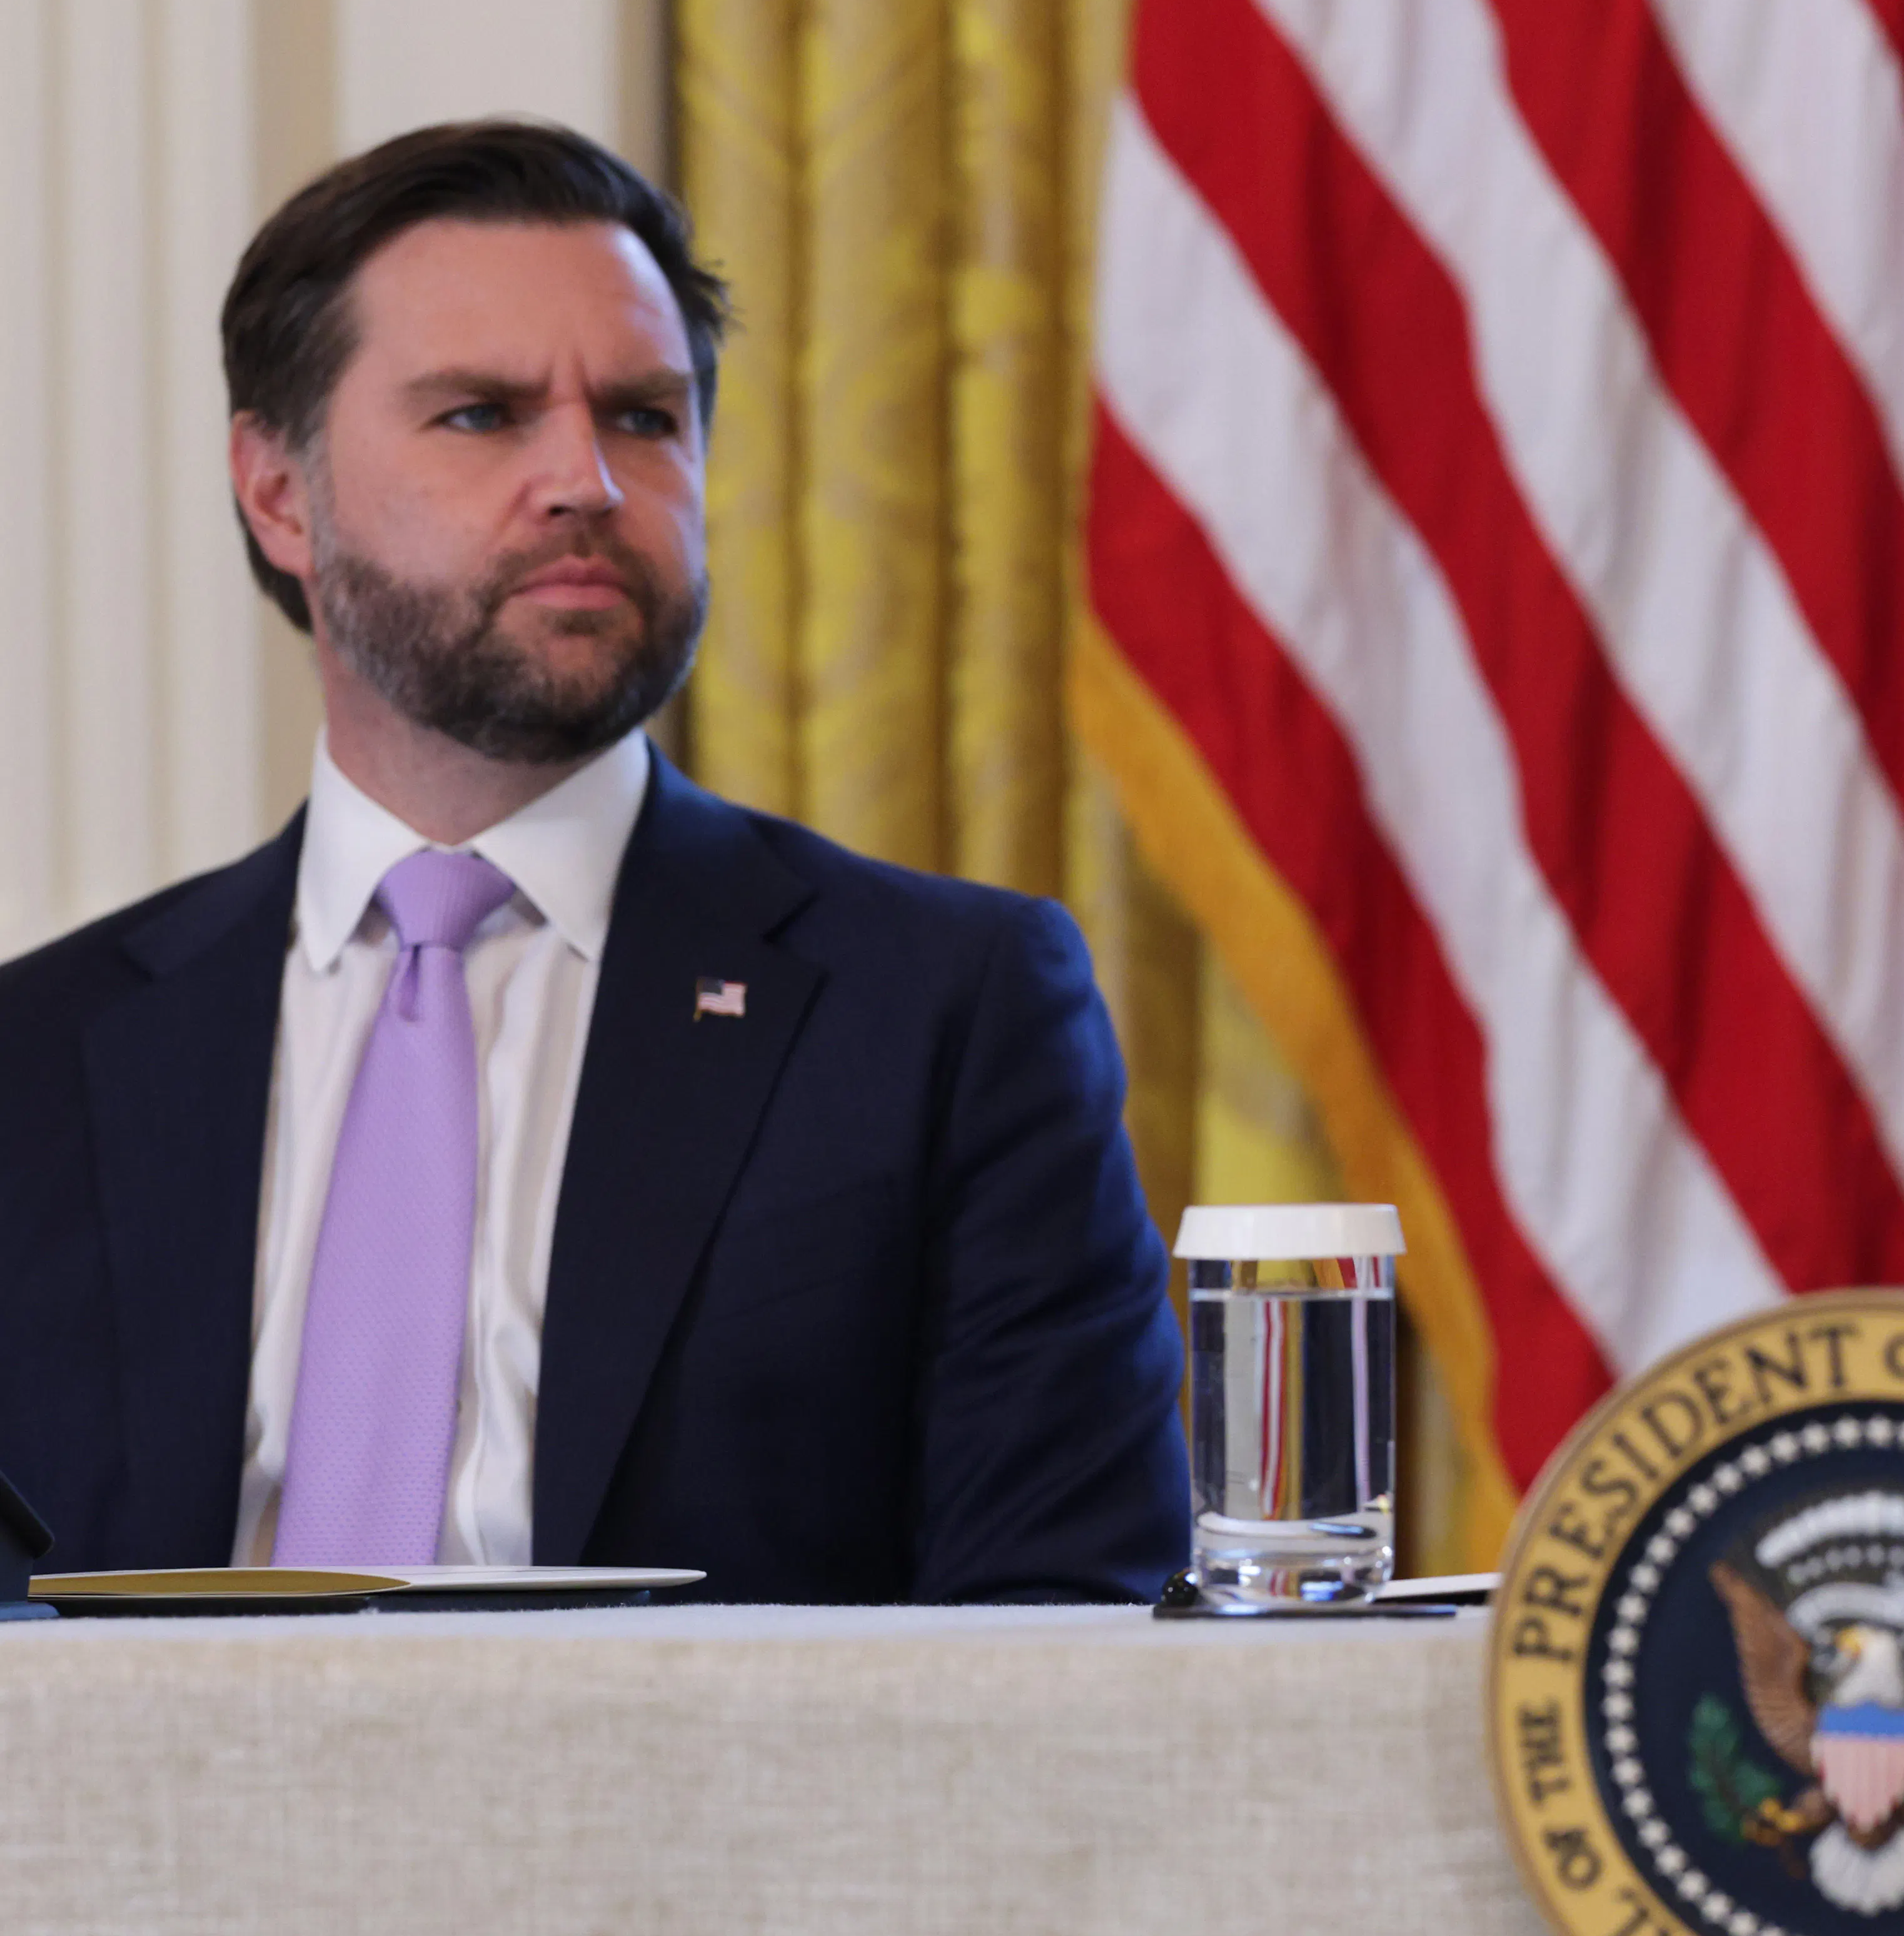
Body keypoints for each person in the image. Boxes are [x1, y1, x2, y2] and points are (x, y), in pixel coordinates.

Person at [0, 120, 1187, 1601]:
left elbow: (1068, 1623)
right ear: (279, 493)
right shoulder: (38, 1062)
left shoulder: (950, 1013)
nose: (587, 480)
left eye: (642, 416)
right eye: (483, 416)